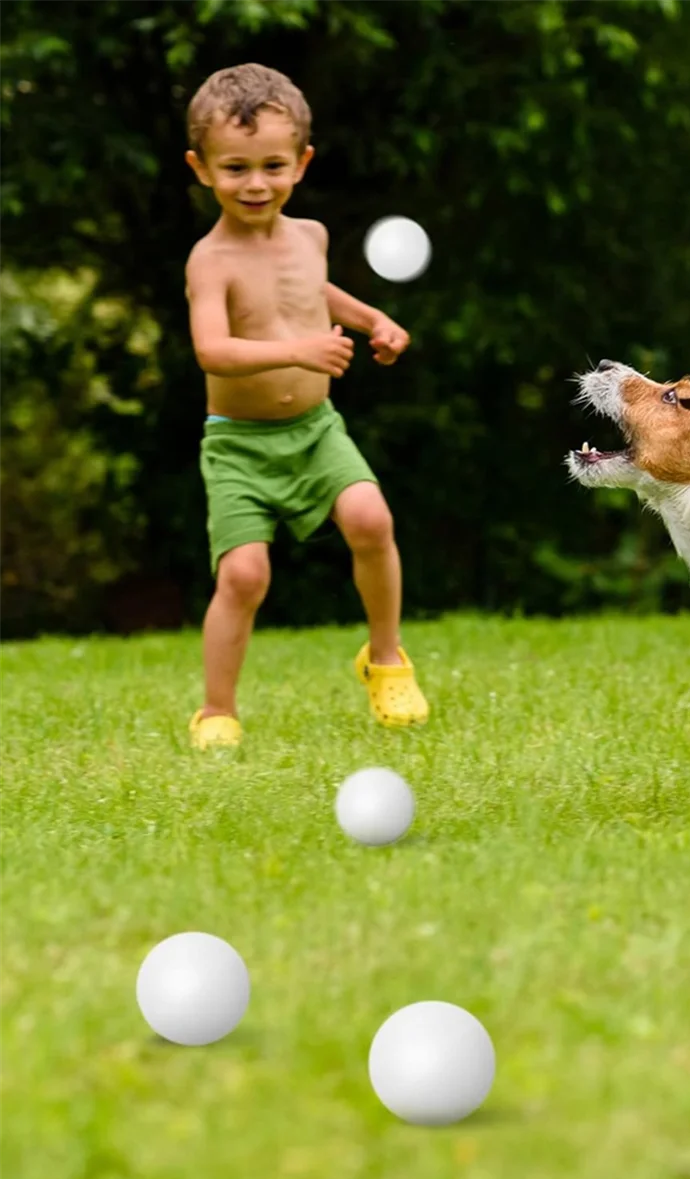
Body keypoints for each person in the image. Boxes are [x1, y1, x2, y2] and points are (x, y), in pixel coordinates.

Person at [182, 63, 428, 750]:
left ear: (302, 162)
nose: (255, 183)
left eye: (271, 165)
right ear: (201, 168)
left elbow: (319, 295)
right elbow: (212, 349)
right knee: (243, 573)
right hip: (239, 443)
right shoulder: (211, 260)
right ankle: (217, 711)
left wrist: (372, 318)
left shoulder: (309, 236)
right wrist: (296, 352)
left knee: (370, 519)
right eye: (234, 168)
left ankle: (386, 660)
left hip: (316, 430)